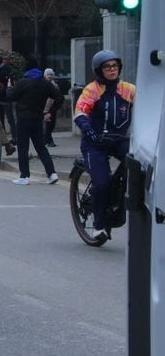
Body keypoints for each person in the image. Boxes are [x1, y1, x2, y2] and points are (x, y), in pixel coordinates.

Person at [73, 50, 135, 240]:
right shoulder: (92, 90)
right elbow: (80, 112)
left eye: (115, 66)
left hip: (119, 141)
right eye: (107, 67)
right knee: (101, 184)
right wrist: (88, 129)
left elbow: (148, 107)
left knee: (139, 163)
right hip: (95, 143)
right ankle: (99, 225)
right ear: (99, 71)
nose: (112, 70)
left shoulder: (129, 89)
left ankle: (120, 196)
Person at [6, 59, 60, 185]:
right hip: (38, 118)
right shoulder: (45, 83)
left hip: (23, 119)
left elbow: (10, 96)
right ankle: (52, 173)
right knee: (41, 147)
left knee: (23, 147)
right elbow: (58, 97)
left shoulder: (23, 82)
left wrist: (9, 87)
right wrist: (50, 112)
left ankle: (24, 176)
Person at [0, 54, 16, 135]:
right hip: (7, 96)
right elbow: (11, 82)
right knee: (10, 118)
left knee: (0, 117)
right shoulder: (8, 69)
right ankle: (14, 135)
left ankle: (3, 135)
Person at [42, 68, 64, 147]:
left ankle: (46, 140)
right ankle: (49, 141)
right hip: (44, 107)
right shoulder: (42, 85)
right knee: (48, 125)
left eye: (51, 74)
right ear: (45, 75)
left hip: (52, 106)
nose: (49, 76)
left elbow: (59, 97)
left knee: (51, 125)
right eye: (48, 74)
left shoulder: (55, 86)